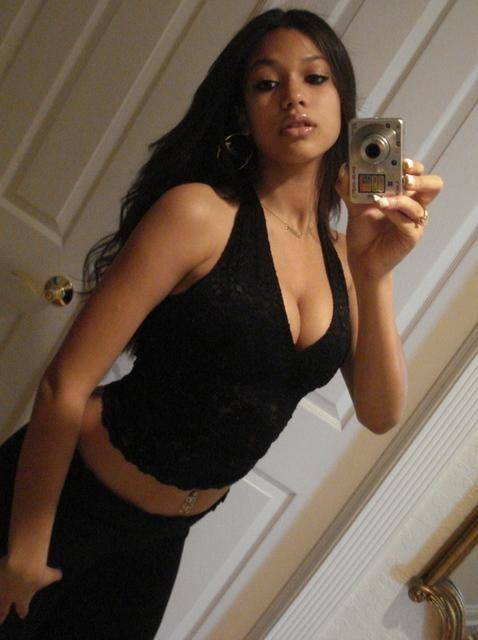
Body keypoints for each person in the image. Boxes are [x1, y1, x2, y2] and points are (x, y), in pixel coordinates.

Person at [0, 7, 443, 639]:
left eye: (315, 78)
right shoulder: (198, 216)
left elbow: (379, 412)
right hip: (62, 506)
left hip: (161, 543)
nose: (293, 96)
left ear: (344, 104)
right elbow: (62, 386)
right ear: (242, 112)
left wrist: (377, 272)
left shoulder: (348, 259)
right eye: (266, 83)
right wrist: (24, 550)